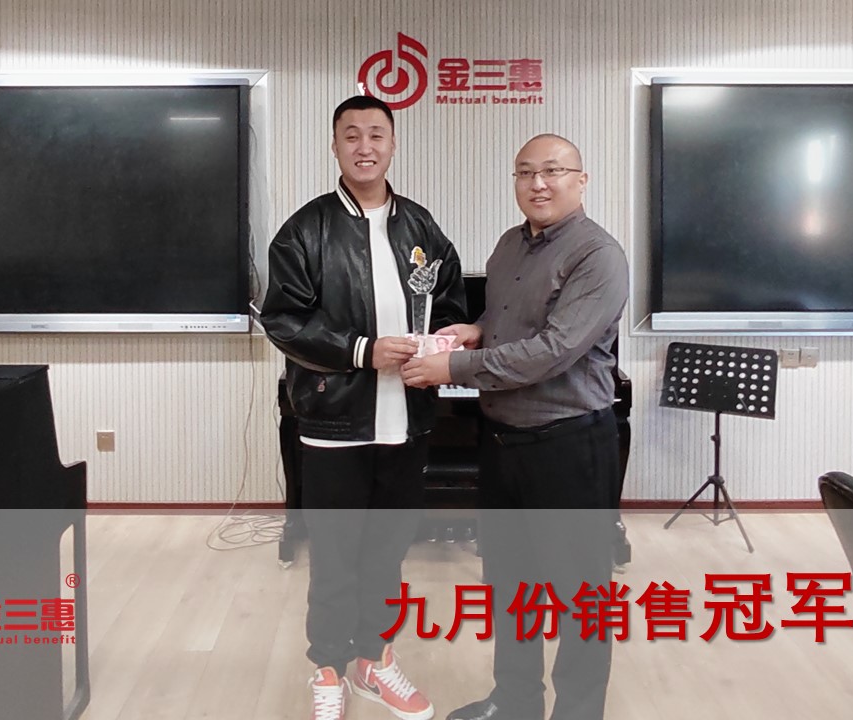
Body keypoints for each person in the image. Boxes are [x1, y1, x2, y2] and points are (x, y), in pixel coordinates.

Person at [401, 134, 629, 720]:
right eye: (525, 172)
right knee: (511, 584)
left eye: (552, 171)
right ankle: (516, 701)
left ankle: (578, 712)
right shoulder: (509, 245)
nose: (538, 183)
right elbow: (509, 320)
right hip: (503, 443)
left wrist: (453, 368)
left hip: (569, 445)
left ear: (581, 179)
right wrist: (475, 329)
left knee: (581, 595)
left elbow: (551, 351)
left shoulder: (598, 255)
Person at [260, 95, 465, 720]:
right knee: (334, 555)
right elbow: (284, 321)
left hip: (407, 421)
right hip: (334, 423)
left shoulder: (421, 227)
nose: (365, 146)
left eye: (377, 134)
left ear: (393, 144)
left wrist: (442, 345)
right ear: (335, 146)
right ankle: (328, 666)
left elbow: (450, 306)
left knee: (387, 551)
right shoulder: (305, 230)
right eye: (352, 135)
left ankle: (374, 659)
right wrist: (362, 350)